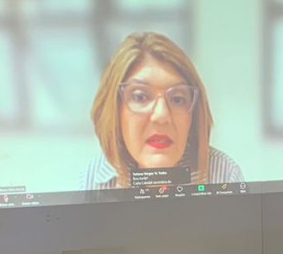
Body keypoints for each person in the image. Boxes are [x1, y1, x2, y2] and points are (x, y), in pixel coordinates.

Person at [83, 31, 243, 191]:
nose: (161, 115)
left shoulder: (223, 174)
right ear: (115, 111)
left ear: (193, 116)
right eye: (140, 97)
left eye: (177, 99)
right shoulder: (96, 178)